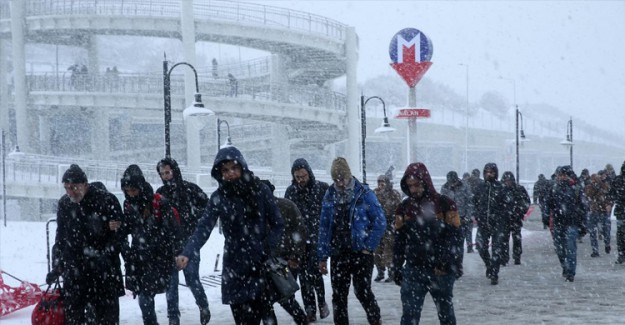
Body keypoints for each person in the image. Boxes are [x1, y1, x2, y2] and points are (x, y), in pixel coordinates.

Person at [176, 146, 284, 324]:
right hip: (234, 266)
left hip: (260, 265)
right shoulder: (219, 197)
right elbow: (204, 227)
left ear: (242, 167)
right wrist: (188, 252)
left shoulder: (260, 190)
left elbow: (278, 225)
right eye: (225, 170)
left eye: (234, 168)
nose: (230, 173)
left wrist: (266, 247)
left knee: (266, 315)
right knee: (242, 318)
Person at [46, 164, 125, 325]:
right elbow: (61, 237)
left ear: (85, 184)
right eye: (67, 188)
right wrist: (57, 265)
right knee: (74, 317)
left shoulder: (106, 200)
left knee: (105, 318)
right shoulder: (65, 204)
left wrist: (105, 255)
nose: (70, 192)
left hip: (103, 273)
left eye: (74, 187)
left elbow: (118, 236)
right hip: (75, 272)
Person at [317, 157, 385, 325]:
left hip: (361, 253)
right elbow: (324, 227)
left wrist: (368, 246)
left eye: (342, 179)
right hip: (339, 253)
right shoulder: (330, 195)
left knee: (362, 291)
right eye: (336, 180)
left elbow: (380, 221)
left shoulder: (364, 193)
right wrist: (322, 256)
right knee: (338, 296)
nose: (340, 183)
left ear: (349, 175)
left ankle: (375, 319)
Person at [392, 162, 461, 325]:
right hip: (414, 269)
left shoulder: (445, 204)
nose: (413, 190)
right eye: (410, 186)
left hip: (440, 270)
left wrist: (447, 261)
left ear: (425, 182)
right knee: (409, 314)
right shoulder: (403, 208)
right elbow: (399, 240)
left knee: (445, 313)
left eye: (416, 185)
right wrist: (396, 265)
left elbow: (455, 237)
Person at [119, 165, 182, 325]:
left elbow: (173, 231)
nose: (131, 193)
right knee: (145, 300)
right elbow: (127, 228)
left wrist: (175, 252)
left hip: (162, 257)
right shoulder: (128, 205)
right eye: (127, 190)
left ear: (140, 187)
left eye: (133, 190)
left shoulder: (159, 202)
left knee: (171, 294)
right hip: (142, 259)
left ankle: (173, 320)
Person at [156, 158, 210, 325]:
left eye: (168, 171)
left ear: (174, 170)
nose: (166, 176)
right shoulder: (159, 194)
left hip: (188, 241)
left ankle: (203, 305)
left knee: (192, 278)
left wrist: (193, 217)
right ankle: (173, 318)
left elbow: (207, 207)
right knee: (171, 285)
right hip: (168, 244)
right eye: (162, 173)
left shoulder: (189, 188)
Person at [284, 158, 331, 322]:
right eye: (297, 177)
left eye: (303, 176)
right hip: (299, 242)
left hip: (317, 239)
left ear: (309, 173)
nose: (301, 180)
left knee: (315, 274)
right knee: (304, 278)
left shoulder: (321, 189)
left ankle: (322, 301)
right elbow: (287, 218)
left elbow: (329, 214)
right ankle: (310, 309)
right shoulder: (291, 192)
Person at [261, 179, 309, 325]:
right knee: (269, 301)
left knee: (284, 297)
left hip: (283, 260)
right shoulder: (256, 212)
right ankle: (301, 320)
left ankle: (302, 320)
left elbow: (299, 231)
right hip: (265, 262)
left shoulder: (286, 206)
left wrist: (295, 256)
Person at [547, 166, 587, 282]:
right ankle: (565, 266)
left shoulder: (576, 189)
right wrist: (546, 217)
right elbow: (548, 204)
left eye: (564, 175)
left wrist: (583, 223)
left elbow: (583, 207)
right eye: (561, 175)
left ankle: (571, 271)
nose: (562, 177)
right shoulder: (554, 188)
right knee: (560, 249)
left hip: (572, 222)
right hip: (558, 222)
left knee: (570, 248)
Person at [474, 163, 506, 285]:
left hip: (498, 223)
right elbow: (475, 202)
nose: (489, 174)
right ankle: (489, 264)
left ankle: (494, 273)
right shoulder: (480, 187)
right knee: (481, 247)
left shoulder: (500, 187)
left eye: (491, 172)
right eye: (487, 172)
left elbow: (506, 204)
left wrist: (502, 216)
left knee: (497, 249)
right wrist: (477, 214)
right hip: (483, 222)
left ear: (495, 173)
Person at [440, 170, 472, 277]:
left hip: (461, 219)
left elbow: (469, 203)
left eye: (453, 182)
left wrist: (467, 217)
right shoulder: (444, 188)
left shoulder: (464, 187)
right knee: (449, 245)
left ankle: (458, 266)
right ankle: (451, 265)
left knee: (459, 245)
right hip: (448, 220)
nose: (452, 184)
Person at [373, 174, 402, 282]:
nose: (381, 184)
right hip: (378, 226)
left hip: (390, 225)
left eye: (383, 182)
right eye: (379, 182)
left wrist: (394, 222)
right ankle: (380, 272)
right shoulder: (375, 193)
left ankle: (391, 273)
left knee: (389, 251)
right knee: (377, 251)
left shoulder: (394, 194)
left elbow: (398, 209)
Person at [500, 171, 530, 265]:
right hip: (504, 219)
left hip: (515, 218)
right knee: (504, 239)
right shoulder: (501, 190)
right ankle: (504, 257)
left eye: (509, 180)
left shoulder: (519, 189)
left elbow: (526, 202)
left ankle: (517, 256)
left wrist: (521, 211)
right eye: (506, 180)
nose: (507, 182)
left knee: (516, 238)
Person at [584, 173, 612, 257]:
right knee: (594, 232)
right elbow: (587, 196)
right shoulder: (590, 187)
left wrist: (608, 204)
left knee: (605, 230)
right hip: (595, 211)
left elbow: (609, 195)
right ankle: (596, 250)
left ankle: (606, 244)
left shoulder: (604, 185)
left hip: (601, 211)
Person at [609, 161, 625, 264]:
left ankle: (621, 254)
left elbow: (611, 194)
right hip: (621, 210)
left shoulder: (617, 180)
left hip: (620, 210)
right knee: (621, 233)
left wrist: (616, 200)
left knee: (620, 233)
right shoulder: (618, 180)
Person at [465, 168, 484, 252]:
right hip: (478, 207)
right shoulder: (481, 182)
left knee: (468, 229)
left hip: (467, 207)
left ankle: (469, 246)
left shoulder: (465, 181)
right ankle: (478, 243)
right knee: (480, 227)